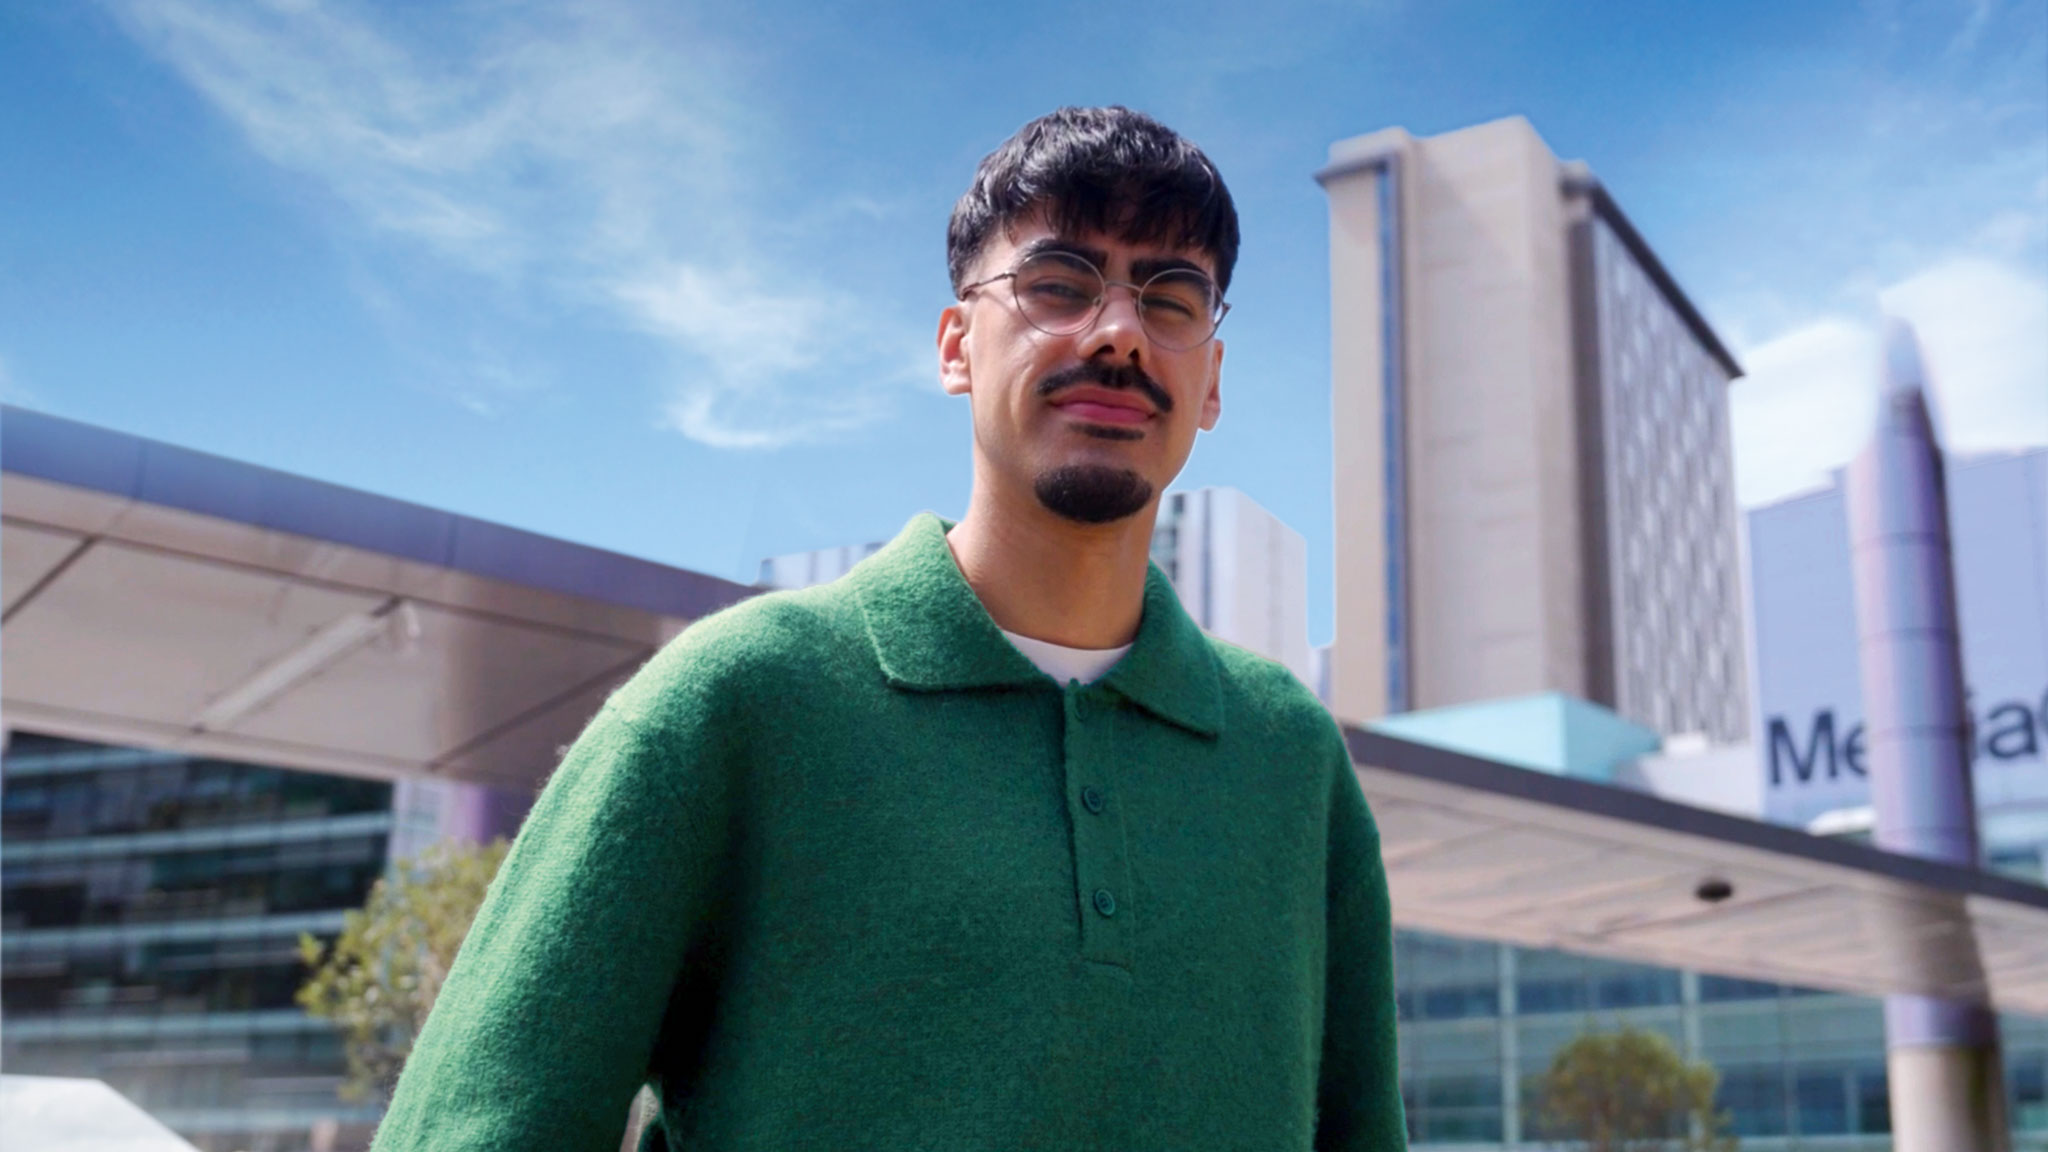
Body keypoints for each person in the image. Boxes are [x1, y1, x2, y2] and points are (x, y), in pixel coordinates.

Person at [371, 105, 1405, 1151]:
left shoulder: (1288, 757)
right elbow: (472, 1128)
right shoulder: (738, 700)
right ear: (957, 344)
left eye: (1169, 299)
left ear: (1211, 383)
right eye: (1058, 284)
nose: (1118, 333)